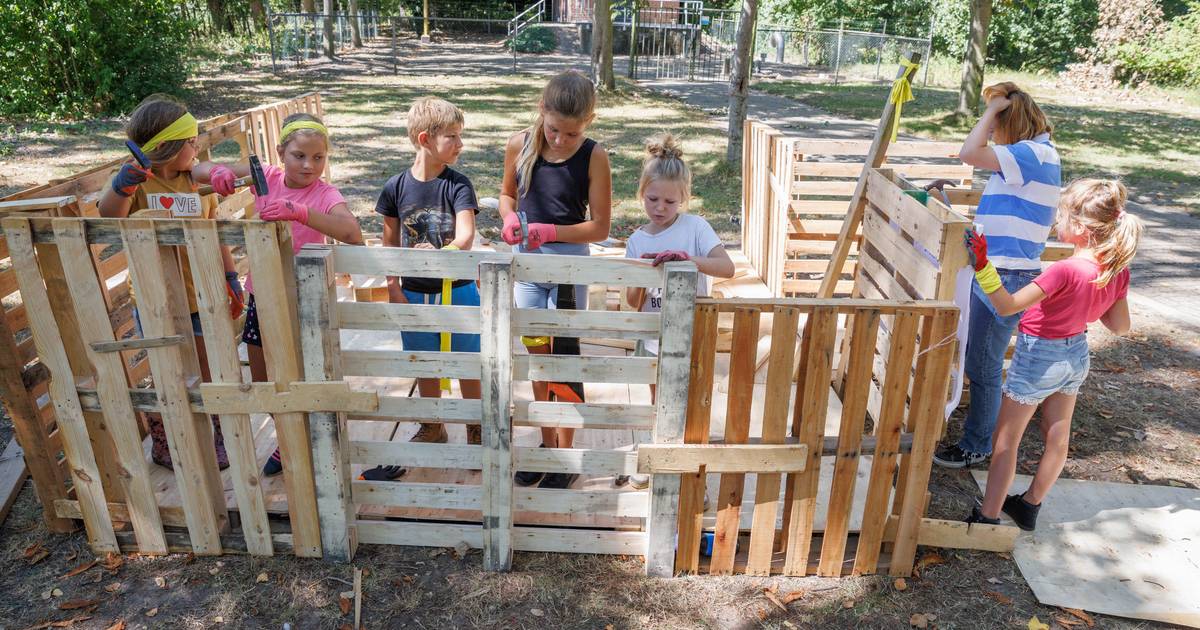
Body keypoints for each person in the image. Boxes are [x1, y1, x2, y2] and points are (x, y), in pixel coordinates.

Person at [964, 179, 1142, 530]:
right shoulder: (1114, 270)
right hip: (1075, 356)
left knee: (1006, 440)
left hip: (1038, 356)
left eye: (1060, 217)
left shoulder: (1065, 269)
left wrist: (982, 265)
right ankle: (1029, 506)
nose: (1055, 224)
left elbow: (1006, 305)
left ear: (1079, 226)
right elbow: (1120, 326)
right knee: (1057, 437)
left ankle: (987, 516)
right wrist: (1094, 302)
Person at [98, 94, 238, 470]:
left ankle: (218, 434)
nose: (196, 147)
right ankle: (165, 438)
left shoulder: (193, 178)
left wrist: (230, 277)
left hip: (202, 296)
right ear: (166, 147)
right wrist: (122, 187)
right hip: (154, 298)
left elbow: (214, 226)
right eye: (190, 142)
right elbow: (108, 216)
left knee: (208, 370)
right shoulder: (139, 183)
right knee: (167, 373)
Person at [220, 112, 363, 476]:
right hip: (261, 293)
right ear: (281, 151)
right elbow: (209, 170)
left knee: (305, 372)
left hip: (303, 297)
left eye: (319, 158)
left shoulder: (324, 193)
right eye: (299, 155)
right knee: (264, 375)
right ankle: (287, 437)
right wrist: (219, 175)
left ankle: (310, 442)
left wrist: (301, 212)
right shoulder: (265, 177)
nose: (309, 165)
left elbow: (351, 232)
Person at [933, 82, 1062, 469]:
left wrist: (991, 109)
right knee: (978, 359)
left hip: (1007, 276)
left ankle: (977, 445)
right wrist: (944, 203)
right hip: (995, 271)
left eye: (994, 126)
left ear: (1010, 122)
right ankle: (978, 438)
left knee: (984, 365)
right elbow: (997, 223)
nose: (989, 133)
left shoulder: (1033, 154)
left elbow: (968, 153)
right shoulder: (1024, 157)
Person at [498, 70, 613, 489]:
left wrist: (551, 232)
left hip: (569, 270)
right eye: (553, 130)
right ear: (541, 110)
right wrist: (510, 217)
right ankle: (547, 445)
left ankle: (567, 455)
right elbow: (507, 194)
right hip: (527, 268)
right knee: (536, 356)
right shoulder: (519, 144)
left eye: (571, 133)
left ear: (588, 122)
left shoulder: (594, 156)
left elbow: (600, 228)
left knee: (564, 357)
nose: (560, 140)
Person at [361, 97, 482, 481]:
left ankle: (475, 426)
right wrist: (392, 286)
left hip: (458, 288)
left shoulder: (458, 184)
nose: (461, 144)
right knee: (423, 361)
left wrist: (443, 253)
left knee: (469, 362)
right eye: (453, 137)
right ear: (426, 139)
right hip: (413, 292)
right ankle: (433, 424)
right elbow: (390, 242)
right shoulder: (395, 187)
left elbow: (466, 235)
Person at [619, 133, 734, 489]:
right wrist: (641, 270)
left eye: (670, 200)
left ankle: (689, 468)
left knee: (691, 401)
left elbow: (726, 267)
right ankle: (658, 460)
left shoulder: (696, 228)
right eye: (653, 199)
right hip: (654, 337)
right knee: (659, 401)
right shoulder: (638, 240)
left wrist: (688, 260)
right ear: (642, 194)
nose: (661, 207)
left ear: (684, 198)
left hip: (694, 333)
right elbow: (631, 301)